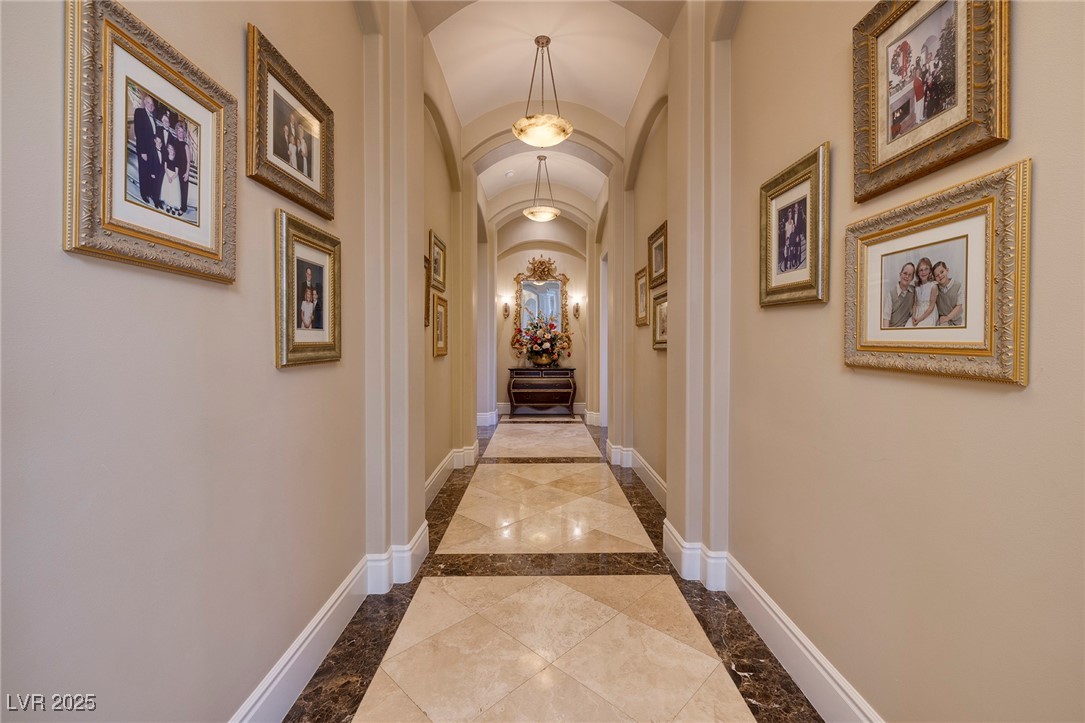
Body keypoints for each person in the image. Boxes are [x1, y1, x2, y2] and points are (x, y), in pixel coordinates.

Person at [133, 93, 158, 204]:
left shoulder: (154, 116)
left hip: (153, 150)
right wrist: (142, 151)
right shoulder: (139, 112)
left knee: (151, 171)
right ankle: (144, 194)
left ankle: (151, 193)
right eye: (148, 103)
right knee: (144, 172)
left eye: (152, 103)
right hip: (144, 149)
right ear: (144, 103)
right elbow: (139, 132)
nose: (150, 105)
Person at [882, 262, 916, 328]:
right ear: (900, 274)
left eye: (910, 275)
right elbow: (886, 317)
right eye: (905, 273)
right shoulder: (891, 294)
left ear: (912, 278)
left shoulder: (913, 291)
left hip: (907, 329)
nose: (907, 276)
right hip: (894, 330)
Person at [907, 257, 939, 327]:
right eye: (921, 270)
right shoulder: (917, 287)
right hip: (918, 311)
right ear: (917, 273)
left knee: (921, 327)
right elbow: (915, 304)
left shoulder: (933, 286)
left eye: (926, 269)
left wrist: (919, 319)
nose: (923, 272)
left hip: (928, 313)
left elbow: (931, 306)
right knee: (909, 326)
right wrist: (913, 316)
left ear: (930, 270)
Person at [933, 261, 964, 326]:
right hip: (942, 321)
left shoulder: (958, 285)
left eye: (942, 272)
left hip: (956, 321)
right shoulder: (935, 288)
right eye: (937, 275)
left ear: (947, 270)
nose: (940, 276)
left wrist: (948, 317)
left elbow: (959, 306)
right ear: (935, 278)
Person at [170, 120, 191, 215]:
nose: (180, 133)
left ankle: (183, 208)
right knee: (175, 189)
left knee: (183, 190)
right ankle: (174, 205)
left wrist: (187, 173)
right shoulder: (174, 142)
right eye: (179, 131)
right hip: (174, 168)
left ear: (184, 133)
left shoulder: (186, 146)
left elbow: (188, 161)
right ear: (176, 132)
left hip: (183, 170)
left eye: (182, 132)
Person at [160, 142, 182, 214]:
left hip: (174, 177)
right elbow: (165, 168)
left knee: (173, 191)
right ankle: (168, 205)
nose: (170, 150)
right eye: (168, 148)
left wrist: (171, 178)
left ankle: (173, 207)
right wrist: (168, 177)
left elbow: (176, 172)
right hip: (167, 176)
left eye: (171, 148)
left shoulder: (176, 159)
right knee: (168, 190)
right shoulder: (166, 157)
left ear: (174, 149)